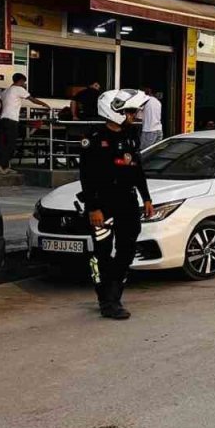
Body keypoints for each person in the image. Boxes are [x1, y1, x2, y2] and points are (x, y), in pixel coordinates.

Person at [79, 89, 154, 320]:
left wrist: (146, 198)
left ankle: (114, 296)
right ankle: (106, 300)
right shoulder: (93, 139)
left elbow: (137, 169)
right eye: (130, 111)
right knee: (101, 254)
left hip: (127, 203)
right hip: (102, 205)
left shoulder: (131, 135)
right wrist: (93, 208)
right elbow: (86, 177)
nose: (134, 115)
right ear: (114, 111)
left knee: (127, 250)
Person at [0, 73, 50, 174]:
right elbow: (32, 100)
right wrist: (45, 104)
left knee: (2, 143)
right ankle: (1, 166)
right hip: (12, 120)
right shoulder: (19, 89)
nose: (24, 84)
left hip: (3, 119)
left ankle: (4, 166)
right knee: (11, 145)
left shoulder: (6, 91)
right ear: (21, 81)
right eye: (24, 82)